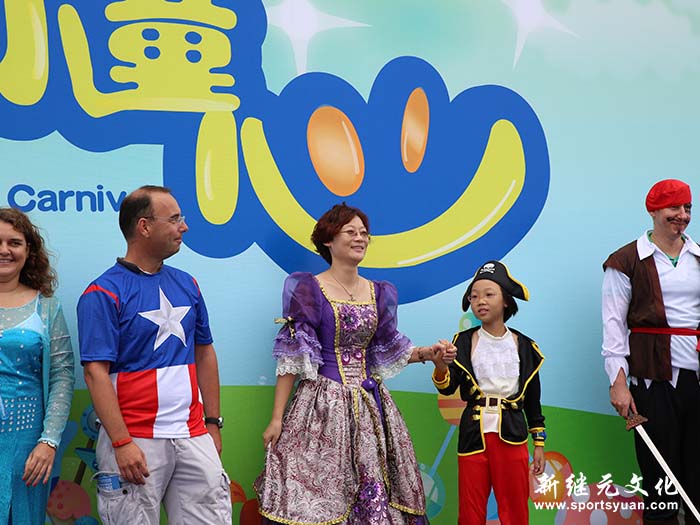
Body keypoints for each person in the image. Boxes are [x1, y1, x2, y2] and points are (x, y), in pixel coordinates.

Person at [255, 203, 452, 525]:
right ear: (328, 240)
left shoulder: (379, 293)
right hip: (321, 406)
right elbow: (293, 358)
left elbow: (387, 348)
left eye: (363, 233)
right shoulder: (309, 289)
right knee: (317, 493)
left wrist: (428, 353)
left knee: (374, 492)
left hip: (370, 406)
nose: (360, 238)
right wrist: (277, 419)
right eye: (350, 232)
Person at [77, 185, 231, 524]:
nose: (184, 227)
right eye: (174, 219)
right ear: (144, 226)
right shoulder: (102, 292)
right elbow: (95, 373)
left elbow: (204, 352)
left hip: (193, 434)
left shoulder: (188, 284)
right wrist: (121, 442)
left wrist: (212, 423)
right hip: (134, 439)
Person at [602, 178, 699, 525]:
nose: (682, 215)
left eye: (687, 208)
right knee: (660, 479)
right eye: (674, 207)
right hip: (651, 382)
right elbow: (614, 328)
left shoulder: (698, 257)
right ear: (654, 210)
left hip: (695, 381)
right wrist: (618, 383)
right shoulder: (626, 260)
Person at [432, 260, 545, 525]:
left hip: (512, 434)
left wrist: (538, 443)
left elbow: (533, 401)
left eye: (489, 294)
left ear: (506, 301)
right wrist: (440, 365)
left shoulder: (526, 347)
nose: (480, 301)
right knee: (470, 511)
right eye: (474, 296)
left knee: (515, 509)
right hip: (473, 435)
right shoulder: (462, 341)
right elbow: (448, 387)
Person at [0, 208, 75, 524]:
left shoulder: (46, 308)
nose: (4, 250)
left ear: (28, 250)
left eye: (14, 242)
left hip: (28, 446)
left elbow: (62, 376)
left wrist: (48, 441)